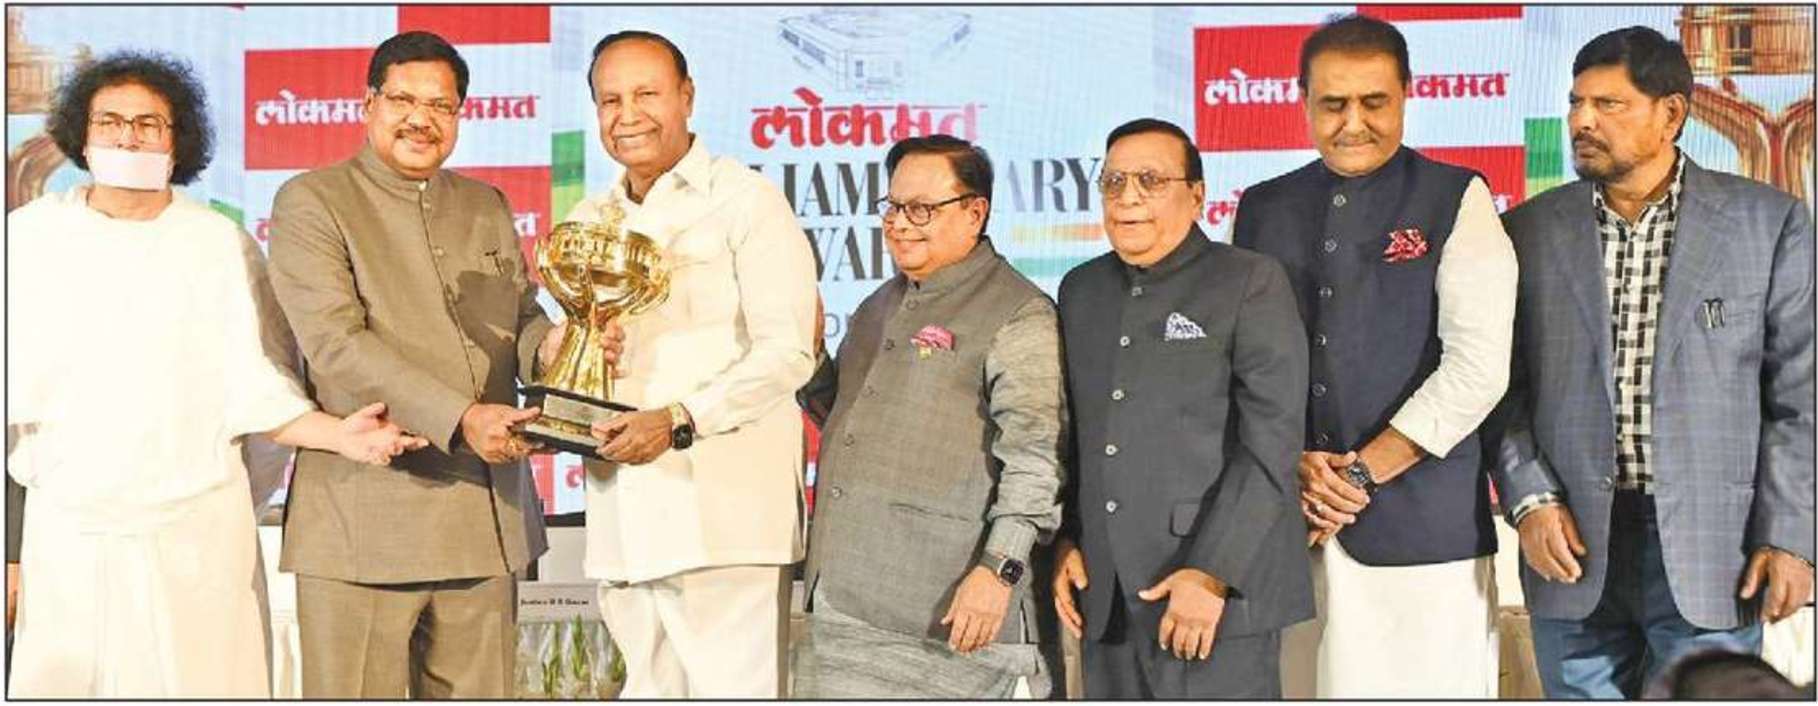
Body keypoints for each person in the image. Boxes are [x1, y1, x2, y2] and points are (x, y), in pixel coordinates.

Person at [4, 50, 423, 698]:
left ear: (179, 141)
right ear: (80, 136)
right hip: (73, 536)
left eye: (149, 123)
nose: (128, 137)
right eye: (110, 121)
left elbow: (259, 388)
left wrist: (341, 435)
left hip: (197, 534)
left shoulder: (219, 244)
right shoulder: (28, 240)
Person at [1493, 25, 1814, 698]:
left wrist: (1790, 536)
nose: (1582, 121)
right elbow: (1500, 390)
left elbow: (1799, 399)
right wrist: (1529, 500)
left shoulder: (1769, 224)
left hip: (1717, 551)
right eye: (1576, 102)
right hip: (1571, 548)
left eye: (1608, 104)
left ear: (1671, 114)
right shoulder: (1527, 231)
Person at [266, 31, 565, 698]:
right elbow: (335, 343)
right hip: (365, 518)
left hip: (486, 518)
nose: (420, 119)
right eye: (403, 99)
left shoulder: (485, 203)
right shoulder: (312, 201)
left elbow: (518, 315)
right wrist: (463, 418)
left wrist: (556, 350)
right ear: (368, 104)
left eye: (441, 105)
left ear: (460, 116)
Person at [1229, 14, 1517, 697]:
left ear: (1408, 95)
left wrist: (1359, 475)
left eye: (1374, 102)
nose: (1353, 123)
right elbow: (1243, 365)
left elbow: (1478, 368)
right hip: (1290, 529)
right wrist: (1292, 462)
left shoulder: (1457, 196)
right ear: (1302, 100)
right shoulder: (1262, 208)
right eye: (1332, 104)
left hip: (1424, 539)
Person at [568, 30, 818, 698]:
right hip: (624, 518)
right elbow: (577, 356)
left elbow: (789, 351)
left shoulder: (746, 200)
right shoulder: (590, 219)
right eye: (610, 100)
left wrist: (678, 419)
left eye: (647, 94)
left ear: (687, 97)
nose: (628, 115)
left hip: (724, 517)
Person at [792, 135, 1066, 698]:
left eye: (921, 209)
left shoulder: (1020, 313)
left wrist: (1000, 570)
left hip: (952, 618)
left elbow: (1037, 463)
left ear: (975, 212)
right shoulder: (879, 304)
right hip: (842, 603)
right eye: (892, 207)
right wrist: (811, 354)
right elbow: (847, 420)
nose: (899, 224)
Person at [1052, 118, 1312, 698]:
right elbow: (1074, 433)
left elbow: (1272, 442)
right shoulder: (1080, 289)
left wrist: (1213, 572)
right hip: (1105, 599)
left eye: (1150, 180)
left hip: (1214, 597)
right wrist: (1067, 539)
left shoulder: (1249, 280)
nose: (1128, 197)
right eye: (1113, 181)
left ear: (1197, 195)